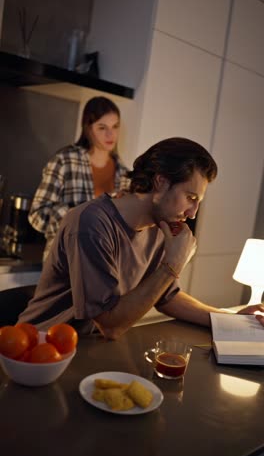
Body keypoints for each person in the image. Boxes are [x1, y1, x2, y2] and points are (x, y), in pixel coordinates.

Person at [19, 137, 264, 337]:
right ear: (160, 182)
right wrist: (173, 265)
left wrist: (229, 320)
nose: (192, 214)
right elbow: (111, 325)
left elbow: (168, 296)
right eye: (190, 197)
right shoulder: (92, 224)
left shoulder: (160, 227)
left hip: (88, 349)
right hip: (37, 349)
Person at [28, 96, 130, 261]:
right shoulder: (65, 160)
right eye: (102, 127)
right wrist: (77, 217)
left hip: (103, 265)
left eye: (115, 126)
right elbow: (37, 214)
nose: (110, 134)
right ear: (88, 129)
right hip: (63, 262)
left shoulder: (125, 174)